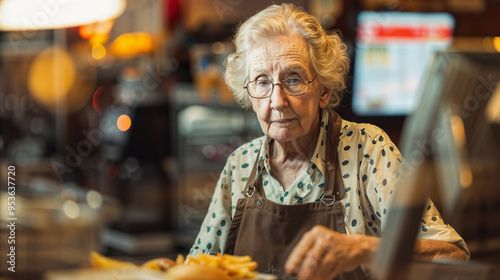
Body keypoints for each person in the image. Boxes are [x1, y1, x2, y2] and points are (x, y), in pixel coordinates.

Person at [189, 3, 469, 279]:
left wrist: (366, 248)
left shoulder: (367, 150)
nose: (277, 102)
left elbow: (453, 255)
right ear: (248, 93)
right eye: (262, 82)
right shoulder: (240, 165)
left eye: (294, 79)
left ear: (324, 90)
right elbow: (194, 268)